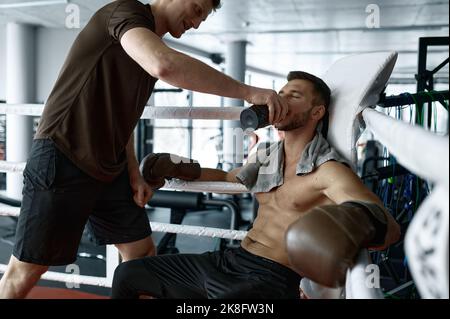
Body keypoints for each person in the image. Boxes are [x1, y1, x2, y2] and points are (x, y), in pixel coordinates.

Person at [0, 0, 289, 299]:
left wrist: (133, 173)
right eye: (197, 8)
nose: (198, 22)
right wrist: (247, 92)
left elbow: (124, 119)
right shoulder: (126, 12)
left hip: (108, 168)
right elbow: (163, 64)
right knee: (27, 270)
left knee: (140, 254)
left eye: (203, 16)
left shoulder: (148, 46)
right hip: (64, 154)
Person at [111, 71, 401, 299]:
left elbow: (389, 227)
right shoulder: (267, 156)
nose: (282, 101)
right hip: (231, 260)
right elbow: (229, 178)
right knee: (128, 276)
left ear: (317, 113)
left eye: (294, 96)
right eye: (281, 93)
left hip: (270, 281)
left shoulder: (327, 171)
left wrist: (350, 223)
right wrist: (178, 167)